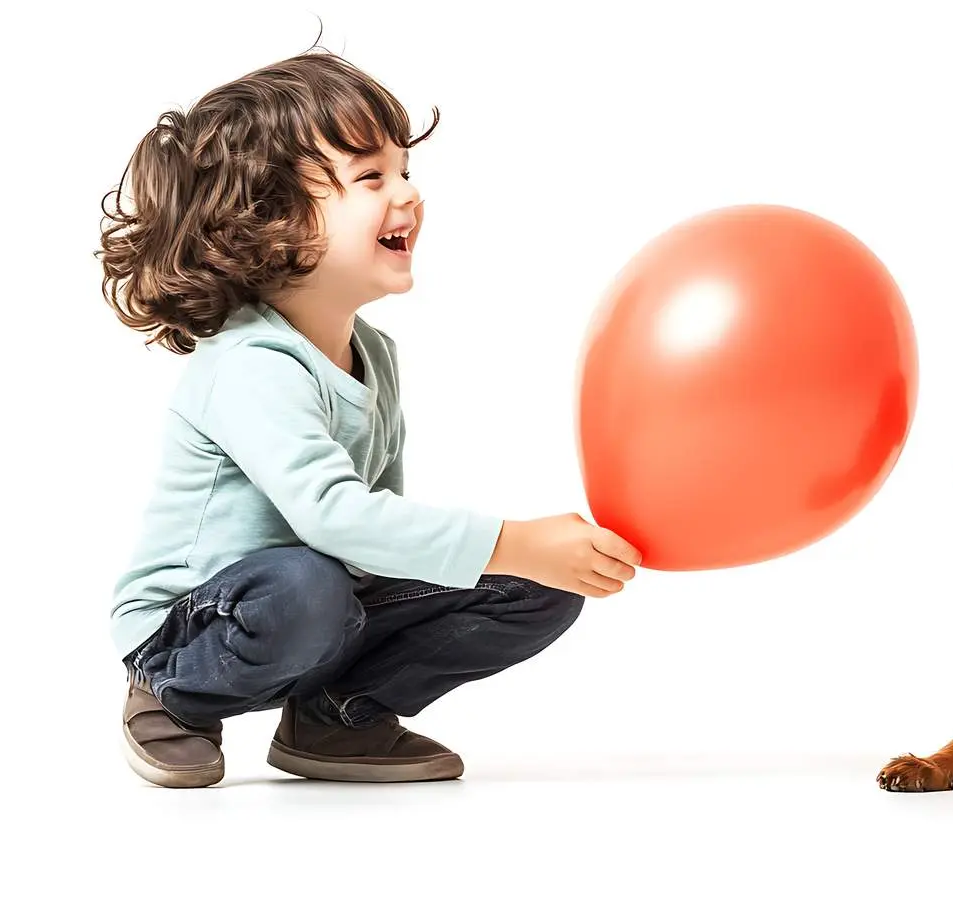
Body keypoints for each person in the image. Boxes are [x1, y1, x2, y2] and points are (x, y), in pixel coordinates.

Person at [97, 49, 641, 789]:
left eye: (405, 173)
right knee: (309, 583)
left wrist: (517, 559)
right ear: (271, 222)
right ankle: (173, 696)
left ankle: (339, 712)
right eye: (370, 178)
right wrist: (509, 539)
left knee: (536, 584)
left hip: (319, 599)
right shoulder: (252, 361)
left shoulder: (373, 356)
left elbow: (377, 534)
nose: (408, 197)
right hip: (196, 624)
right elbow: (334, 516)